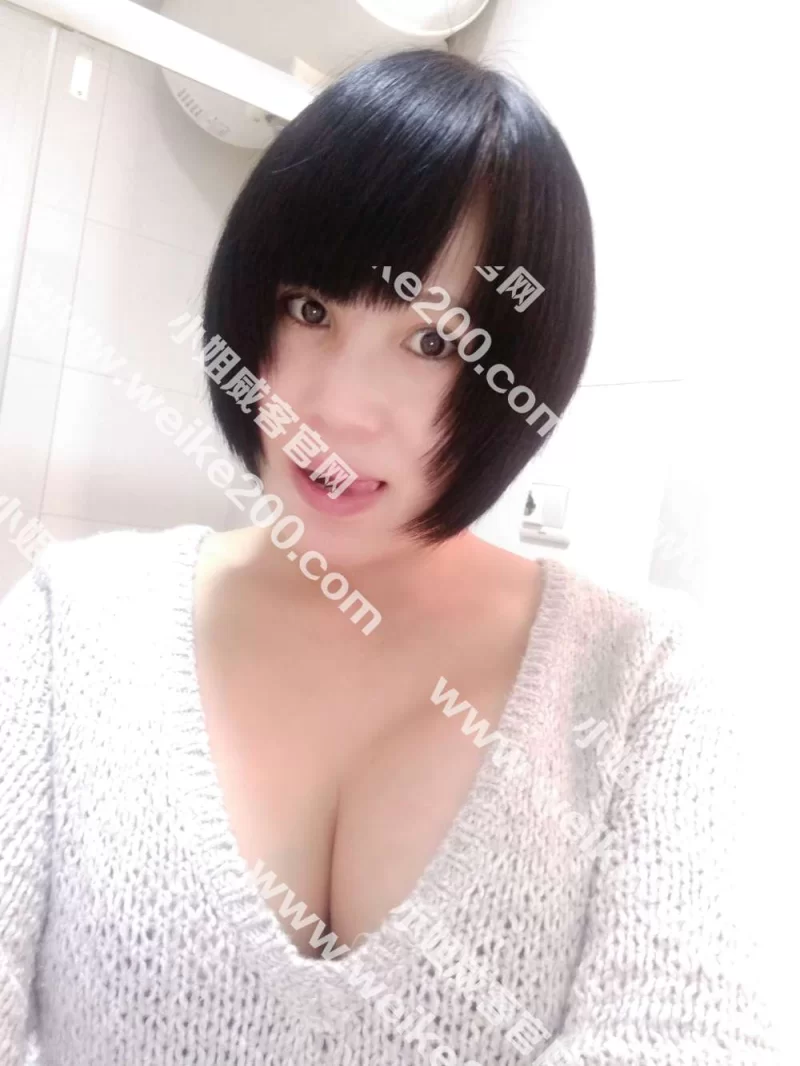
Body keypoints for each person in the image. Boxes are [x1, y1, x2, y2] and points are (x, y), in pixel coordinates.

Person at [0, 47, 779, 1066]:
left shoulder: (643, 683)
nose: (335, 409)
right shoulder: (71, 623)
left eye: (432, 342)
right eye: (309, 309)